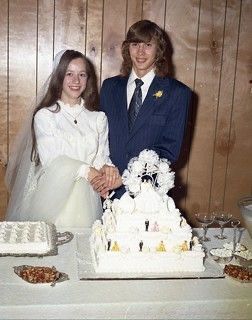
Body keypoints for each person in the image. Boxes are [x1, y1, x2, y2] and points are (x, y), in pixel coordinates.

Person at [5, 49, 119, 227]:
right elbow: (52, 160)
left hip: (87, 200)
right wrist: (88, 172)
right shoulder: (45, 116)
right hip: (53, 200)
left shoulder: (98, 118)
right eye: (69, 74)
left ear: (88, 79)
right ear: (59, 77)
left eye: (82, 74)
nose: (76, 81)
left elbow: (100, 157)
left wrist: (107, 169)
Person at [91, 20, 192, 198]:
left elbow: (169, 152)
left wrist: (127, 177)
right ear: (127, 48)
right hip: (108, 193)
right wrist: (105, 171)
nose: (140, 52)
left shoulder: (177, 93)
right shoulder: (109, 88)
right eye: (135, 44)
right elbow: (99, 139)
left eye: (148, 45)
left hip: (150, 196)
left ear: (158, 50)